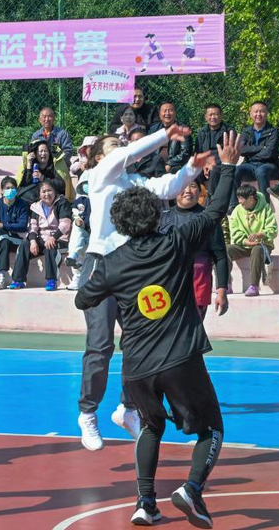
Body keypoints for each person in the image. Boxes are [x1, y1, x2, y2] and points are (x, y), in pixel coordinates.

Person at [73, 132, 239, 529]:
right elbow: (214, 212)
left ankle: (145, 503)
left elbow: (82, 300)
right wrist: (227, 168)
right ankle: (191, 489)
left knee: (151, 425)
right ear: (156, 215)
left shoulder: (113, 264)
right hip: (179, 355)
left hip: (138, 366)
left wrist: (109, 283)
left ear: (119, 220)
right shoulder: (176, 241)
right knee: (212, 428)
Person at [75, 127, 203, 453]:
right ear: (101, 156)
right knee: (101, 344)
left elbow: (169, 186)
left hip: (132, 268)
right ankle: (88, 412)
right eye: (114, 145)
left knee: (138, 341)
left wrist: (193, 167)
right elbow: (126, 154)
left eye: (121, 144)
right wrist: (164, 135)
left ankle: (128, 407)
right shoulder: (100, 176)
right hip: (101, 264)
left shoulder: (134, 184)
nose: (122, 148)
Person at [159, 181, 229, 319]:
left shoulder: (208, 219)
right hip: (166, 288)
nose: (187, 190)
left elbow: (220, 256)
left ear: (199, 191)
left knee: (191, 336)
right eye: (182, 186)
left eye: (192, 186)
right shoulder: (162, 218)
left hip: (197, 286)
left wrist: (222, 291)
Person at [10, 180, 71, 291]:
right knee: (24, 245)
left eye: (49, 191)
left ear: (55, 192)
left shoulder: (62, 203)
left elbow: (65, 224)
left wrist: (53, 237)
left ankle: (52, 280)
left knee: (50, 246)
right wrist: (33, 241)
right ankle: (18, 280)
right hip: (41, 238)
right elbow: (33, 227)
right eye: (44, 191)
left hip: (58, 238)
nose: (46, 194)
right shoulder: (35, 207)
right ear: (39, 194)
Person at [227, 184, 278, 297]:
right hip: (243, 245)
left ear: (251, 198)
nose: (240, 202)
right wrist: (245, 241)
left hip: (262, 245)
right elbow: (234, 231)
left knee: (257, 249)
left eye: (242, 199)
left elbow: (273, 229)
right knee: (225, 250)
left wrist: (260, 235)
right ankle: (225, 284)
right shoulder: (237, 210)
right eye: (238, 198)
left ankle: (254, 285)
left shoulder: (266, 208)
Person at [238, 101, 279, 197]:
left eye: (262, 111)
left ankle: (265, 206)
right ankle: (233, 205)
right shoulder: (246, 131)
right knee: (236, 170)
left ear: (267, 113)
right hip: (249, 165)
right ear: (251, 114)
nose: (258, 114)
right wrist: (261, 148)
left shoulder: (273, 131)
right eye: (255, 112)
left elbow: (269, 153)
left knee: (261, 171)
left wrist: (250, 153)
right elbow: (241, 150)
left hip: (269, 165)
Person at [15, 138, 72, 204]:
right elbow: (25, 184)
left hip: (51, 196)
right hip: (34, 198)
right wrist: (29, 166)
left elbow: (61, 185)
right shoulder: (32, 165)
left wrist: (43, 178)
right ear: (35, 154)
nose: (43, 153)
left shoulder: (55, 166)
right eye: (40, 151)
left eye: (45, 151)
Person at [195, 104, 234, 198]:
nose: (213, 117)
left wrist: (211, 164)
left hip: (221, 163)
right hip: (205, 164)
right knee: (193, 172)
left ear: (221, 116)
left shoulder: (229, 131)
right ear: (206, 117)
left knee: (215, 170)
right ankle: (199, 199)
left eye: (216, 114)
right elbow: (198, 152)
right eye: (210, 114)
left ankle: (212, 198)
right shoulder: (202, 132)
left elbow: (229, 153)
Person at [150, 102, 193, 175]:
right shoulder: (153, 129)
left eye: (170, 110)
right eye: (164, 110)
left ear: (175, 113)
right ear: (160, 113)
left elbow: (185, 152)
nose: (167, 113)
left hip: (174, 166)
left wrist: (169, 164)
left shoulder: (183, 129)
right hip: (154, 165)